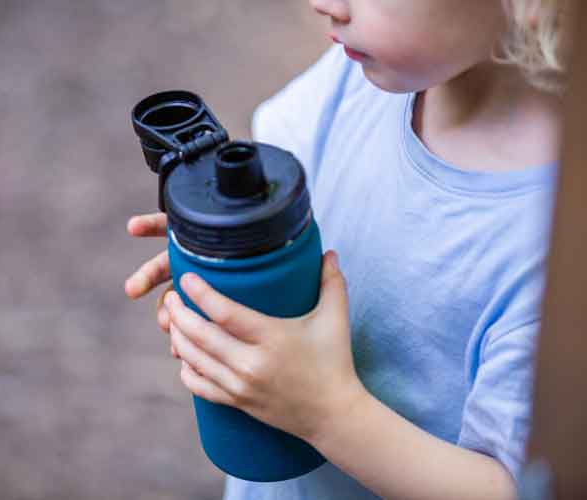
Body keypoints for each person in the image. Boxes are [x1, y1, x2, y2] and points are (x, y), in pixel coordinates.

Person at [124, 0, 570, 498]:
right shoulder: (359, 80)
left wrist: (325, 412)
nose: (324, 3)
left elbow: (514, 489)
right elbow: (296, 196)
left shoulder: (555, 248)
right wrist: (237, 248)